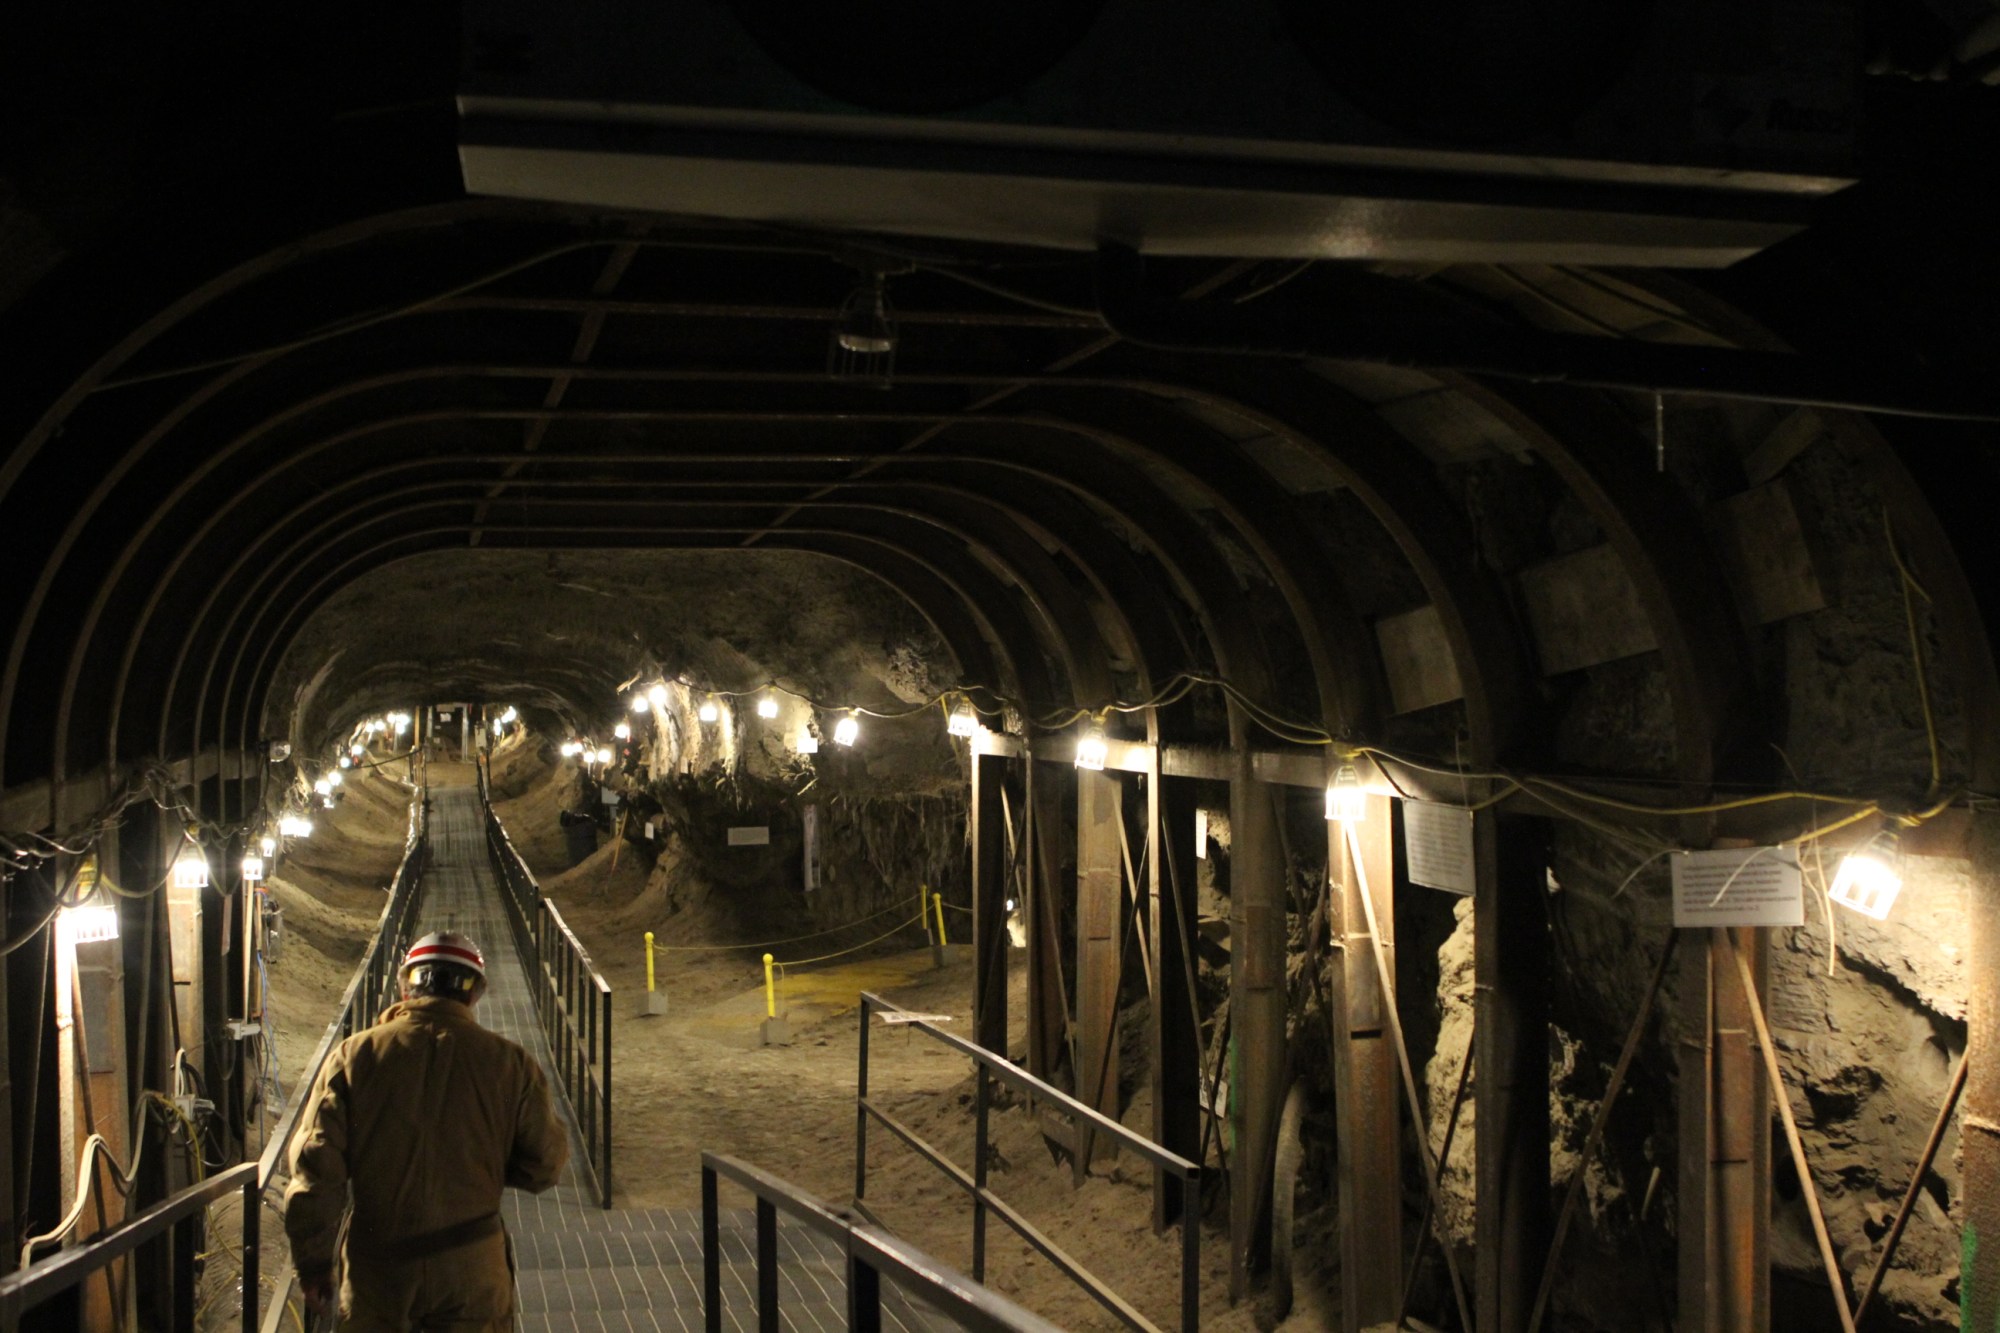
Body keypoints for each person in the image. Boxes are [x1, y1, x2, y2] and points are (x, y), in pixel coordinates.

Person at [283, 931, 568, 1330]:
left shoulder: (353, 1057)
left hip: (377, 1267)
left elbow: (316, 1171)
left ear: (405, 987)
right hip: (473, 1264)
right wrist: (490, 1161)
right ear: (474, 994)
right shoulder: (511, 1064)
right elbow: (545, 1166)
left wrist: (313, 1265)